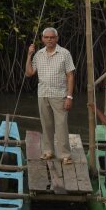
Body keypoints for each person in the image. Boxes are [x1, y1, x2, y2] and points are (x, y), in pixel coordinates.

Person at [25, 27, 76, 165]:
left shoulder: (64, 53)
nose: (49, 40)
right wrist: (29, 55)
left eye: (52, 37)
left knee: (61, 125)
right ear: (42, 39)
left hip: (59, 94)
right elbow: (29, 73)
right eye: (46, 37)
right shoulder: (38, 54)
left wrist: (69, 97)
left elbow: (70, 75)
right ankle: (48, 151)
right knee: (46, 124)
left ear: (57, 38)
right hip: (43, 94)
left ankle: (65, 154)